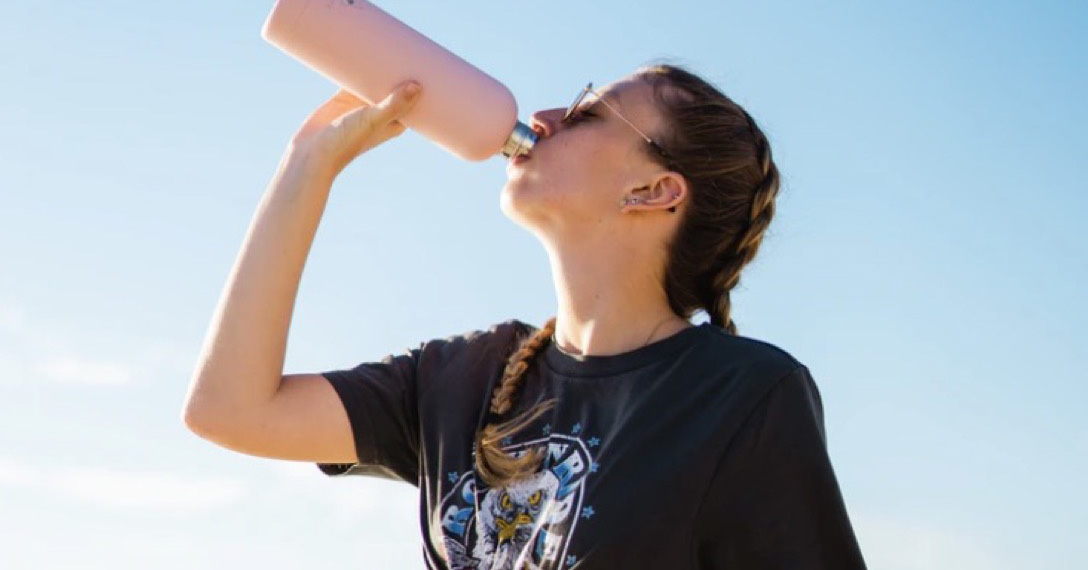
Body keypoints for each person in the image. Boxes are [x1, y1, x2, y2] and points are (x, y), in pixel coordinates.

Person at [182, 62, 868, 569]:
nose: (544, 116)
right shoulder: (460, 378)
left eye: (589, 112)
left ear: (654, 190)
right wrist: (308, 165)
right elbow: (230, 409)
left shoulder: (742, 397)